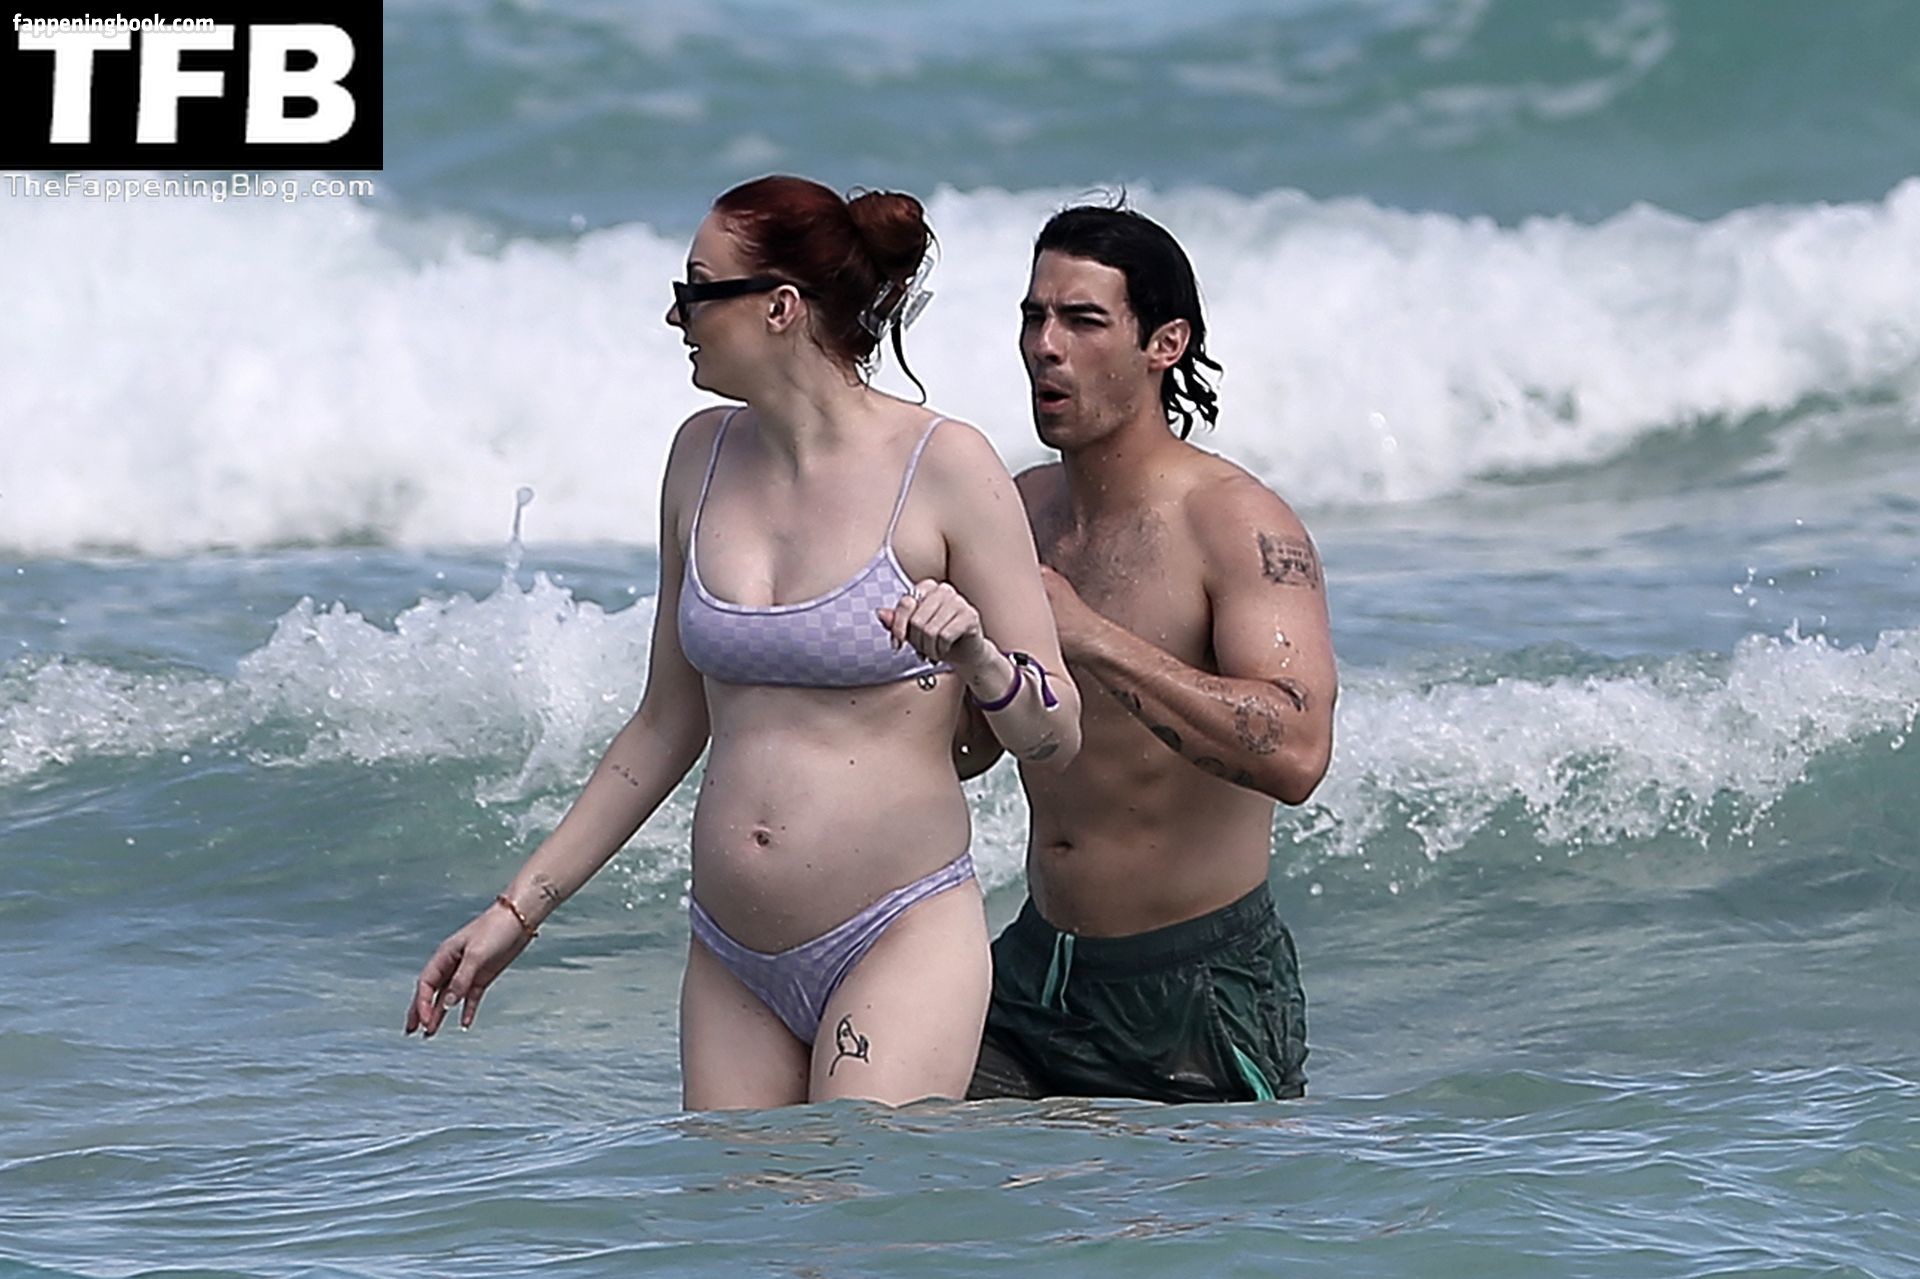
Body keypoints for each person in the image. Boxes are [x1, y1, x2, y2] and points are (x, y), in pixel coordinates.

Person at [405, 175, 1080, 1109]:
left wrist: (978, 658)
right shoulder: (699, 456)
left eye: (695, 289)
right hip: (732, 956)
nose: (675, 315)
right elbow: (663, 725)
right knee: (736, 1206)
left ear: (780, 307)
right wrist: (517, 910)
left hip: (899, 930)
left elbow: (1057, 732)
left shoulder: (946, 465)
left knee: (855, 1194)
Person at [960, 204, 1336, 1104]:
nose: (1046, 346)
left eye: (1083, 320)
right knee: (899, 1159)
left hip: (1197, 992)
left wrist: (1089, 635)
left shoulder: (1235, 523)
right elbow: (966, 747)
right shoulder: (1018, 510)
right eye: (1033, 316)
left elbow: (1296, 752)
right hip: (1036, 973)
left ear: (1165, 343)